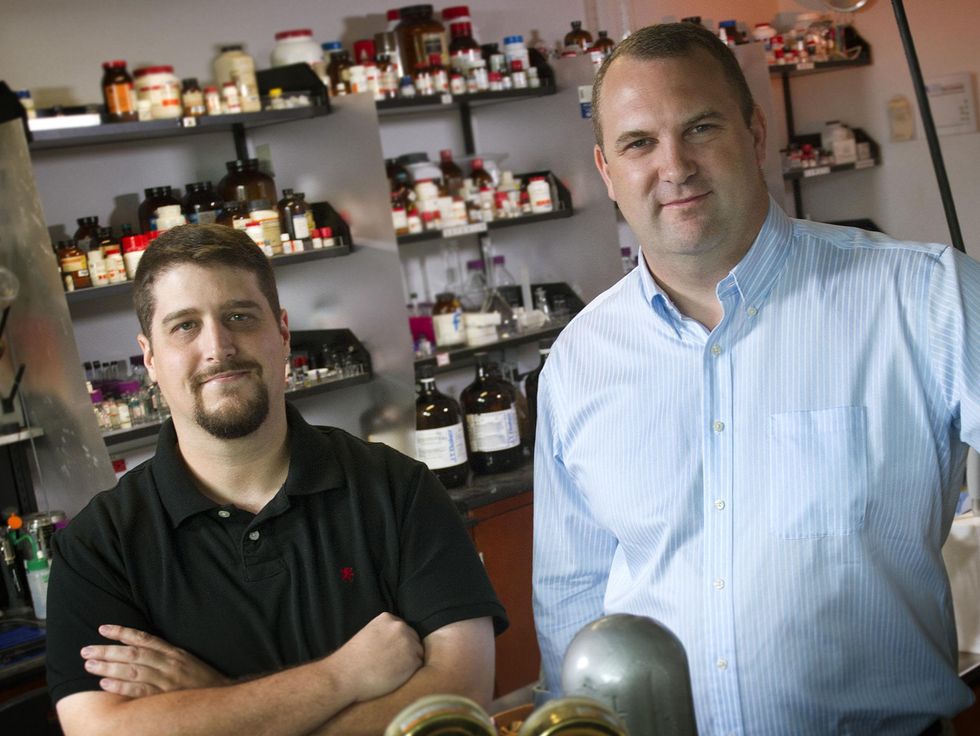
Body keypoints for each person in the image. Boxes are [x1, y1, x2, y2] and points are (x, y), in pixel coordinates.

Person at [532, 21, 979, 735]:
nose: (673, 166)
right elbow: (573, 601)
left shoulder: (923, 298)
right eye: (639, 143)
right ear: (606, 170)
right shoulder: (579, 362)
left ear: (756, 132)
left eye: (700, 127)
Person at [47, 224, 507, 736]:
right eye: (184, 326)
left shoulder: (398, 489)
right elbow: (103, 731)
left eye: (239, 317)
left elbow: (458, 699)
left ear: (283, 333)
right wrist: (341, 677)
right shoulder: (98, 547)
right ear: (150, 357)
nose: (218, 346)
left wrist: (217, 701)